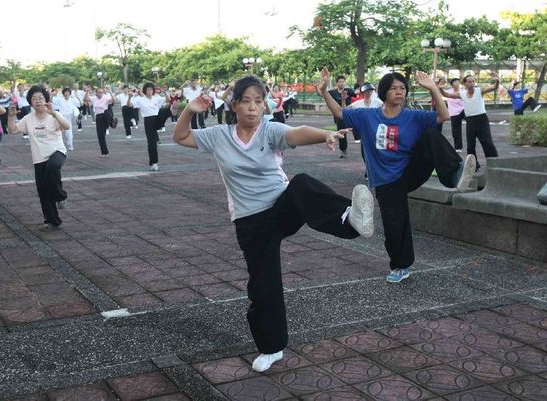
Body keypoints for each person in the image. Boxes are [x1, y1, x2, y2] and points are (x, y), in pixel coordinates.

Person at [173, 75, 375, 373]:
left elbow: (296, 133)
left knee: (302, 184)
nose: (253, 107)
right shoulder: (218, 135)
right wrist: (189, 110)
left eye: (259, 101)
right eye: (246, 101)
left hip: (282, 206)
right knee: (262, 285)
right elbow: (181, 137)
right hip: (250, 221)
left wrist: (325, 135)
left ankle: (349, 220)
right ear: (234, 105)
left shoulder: (269, 130)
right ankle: (272, 347)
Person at [319, 67, 476, 284]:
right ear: (384, 92)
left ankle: (454, 176)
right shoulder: (367, 116)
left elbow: (444, 116)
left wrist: (432, 89)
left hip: (410, 170)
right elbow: (339, 113)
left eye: (402, 88)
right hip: (386, 180)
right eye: (394, 88)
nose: (399, 92)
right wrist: (324, 91)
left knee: (431, 136)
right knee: (395, 224)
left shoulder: (413, 116)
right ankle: (401, 266)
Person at [7, 85, 69, 231]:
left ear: (46, 100)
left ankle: (60, 196)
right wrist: (10, 116)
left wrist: (54, 113)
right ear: (30, 102)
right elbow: (12, 130)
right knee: (43, 190)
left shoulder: (53, 115)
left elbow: (66, 126)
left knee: (52, 167)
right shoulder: (28, 118)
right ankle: (52, 221)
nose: (38, 101)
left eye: (40, 98)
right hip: (39, 158)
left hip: (57, 152)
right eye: (34, 99)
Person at [442, 74, 499, 171]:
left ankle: (495, 164)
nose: (472, 83)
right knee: (470, 146)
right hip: (470, 121)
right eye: (469, 82)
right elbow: (447, 95)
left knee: (487, 143)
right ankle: (473, 166)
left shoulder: (479, 91)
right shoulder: (462, 94)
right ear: (465, 83)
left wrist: (497, 80)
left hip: (482, 119)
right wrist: (439, 88)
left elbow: (494, 87)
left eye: (473, 81)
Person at [128, 82, 165, 171]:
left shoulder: (156, 98)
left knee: (166, 111)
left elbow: (167, 101)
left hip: (157, 118)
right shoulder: (141, 99)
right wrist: (129, 97)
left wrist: (165, 92)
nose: (149, 91)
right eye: (148, 89)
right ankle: (154, 163)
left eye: (151, 89)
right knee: (151, 142)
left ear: (153, 91)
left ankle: (163, 127)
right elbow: (129, 105)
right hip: (148, 120)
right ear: (145, 90)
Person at [317, 75, 354, 157]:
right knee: (342, 132)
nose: (342, 83)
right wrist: (317, 87)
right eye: (340, 82)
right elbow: (321, 93)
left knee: (357, 129)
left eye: (343, 82)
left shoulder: (349, 91)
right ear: (337, 83)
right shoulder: (333, 92)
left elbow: (358, 94)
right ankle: (343, 150)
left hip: (350, 114)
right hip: (339, 115)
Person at [91, 87, 115, 158]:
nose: (100, 94)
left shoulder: (106, 98)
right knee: (101, 136)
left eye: (101, 92)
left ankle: (112, 122)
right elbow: (85, 99)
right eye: (98, 92)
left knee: (106, 111)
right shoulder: (93, 98)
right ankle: (104, 153)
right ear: (96, 93)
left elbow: (114, 101)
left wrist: (110, 91)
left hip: (105, 116)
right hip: (98, 118)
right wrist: (87, 92)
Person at [444, 78, 465, 152]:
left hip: (464, 110)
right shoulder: (449, 91)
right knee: (456, 130)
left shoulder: (463, 91)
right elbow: (439, 91)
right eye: (456, 82)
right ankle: (458, 147)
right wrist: (439, 85)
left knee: (473, 121)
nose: (457, 84)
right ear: (452, 84)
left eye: (458, 82)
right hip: (454, 112)